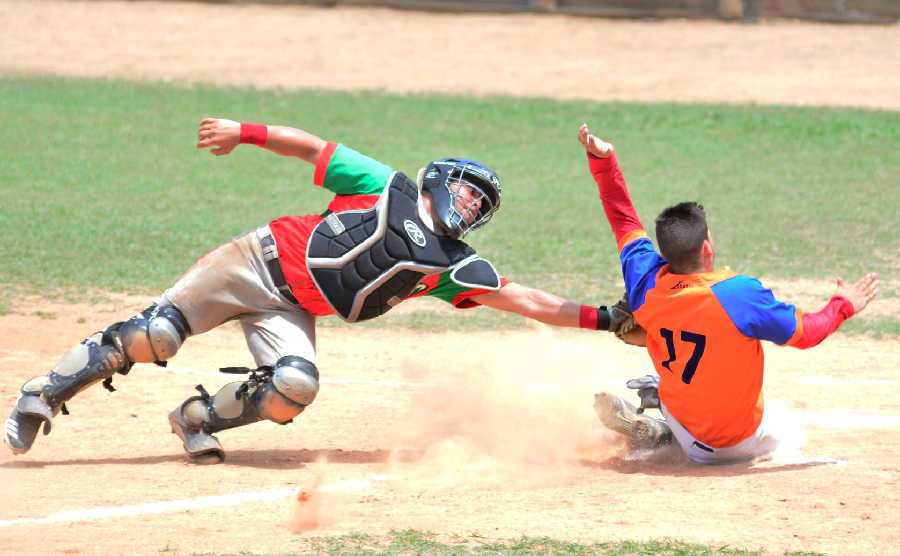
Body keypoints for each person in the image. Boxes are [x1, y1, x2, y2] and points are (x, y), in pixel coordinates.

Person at [4, 117, 630, 465]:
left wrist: (606, 317)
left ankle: (194, 419)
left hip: (293, 306)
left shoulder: (453, 266)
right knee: (155, 335)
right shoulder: (390, 186)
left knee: (294, 387)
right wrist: (243, 131)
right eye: (467, 189)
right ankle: (41, 394)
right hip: (253, 260)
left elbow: (528, 301)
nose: (469, 205)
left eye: (481, 204)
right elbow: (311, 145)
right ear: (440, 179)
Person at [577, 123, 879, 464]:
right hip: (739, 442)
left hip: (687, 420)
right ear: (707, 246)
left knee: (677, 361)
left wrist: (603, 161)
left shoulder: (645, 279)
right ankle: (662, 432)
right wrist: (844, 305)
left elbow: (624, 220)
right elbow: (808, 334)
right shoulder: (738, 294)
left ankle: (664, 422)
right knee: (791, 432)